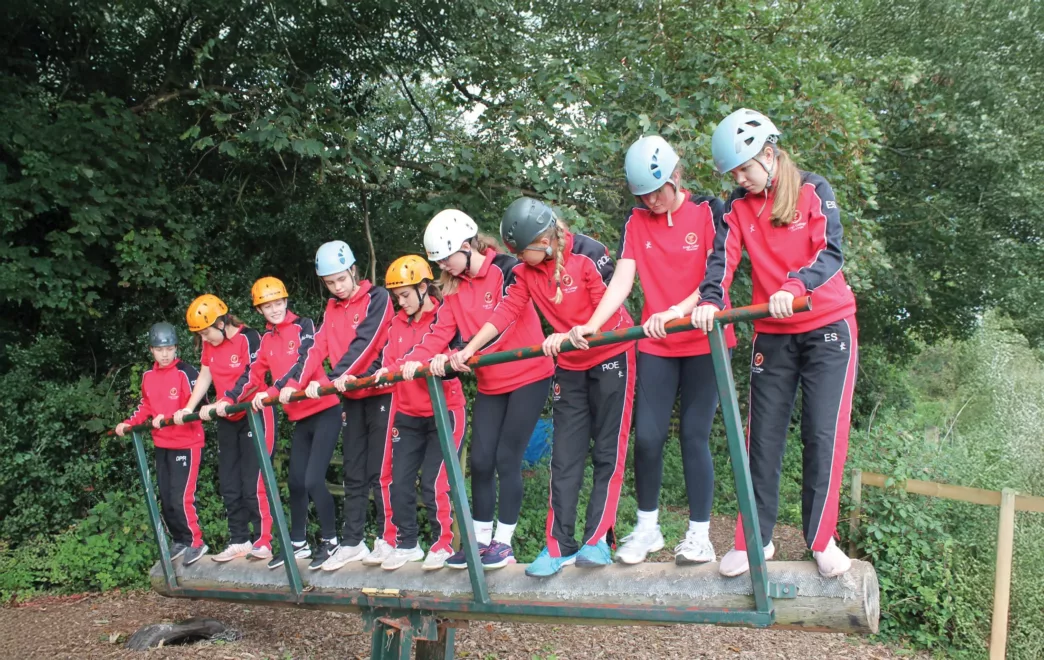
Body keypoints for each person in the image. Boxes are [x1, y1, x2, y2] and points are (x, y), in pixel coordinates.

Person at [692, 108, 858, 578]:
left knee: (821, 434)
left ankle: (821, 541)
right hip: (774, 332)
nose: (739, 179)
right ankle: (754, 540)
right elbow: (721, 261)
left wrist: (795, 286)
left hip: (827, 324)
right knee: (761, 438)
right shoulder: (737, 207)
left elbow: (831, 251)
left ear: (769, 154)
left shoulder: (813, 189)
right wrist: (710, 299)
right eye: (733, 173)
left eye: (745, 169)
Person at [568, 136, 737, 565]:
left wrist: (678, 310)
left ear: (676, 177)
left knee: (694, 435)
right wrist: (593, 323)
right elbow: (622, 280)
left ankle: (699, 535)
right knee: (647, 437)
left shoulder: (709, 211)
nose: (651, 201)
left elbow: (718, 273)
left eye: (657, 191)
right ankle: (648, 528)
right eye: (642, 195)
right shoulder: (636, 221)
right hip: (658, 343)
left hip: (704, 339)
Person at [450, 198, 636, 577]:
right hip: (571, 364)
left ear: (546, 240)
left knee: (607, 451)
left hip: (612, 354)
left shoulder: (588, 253)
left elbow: (611, 307)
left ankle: (597, 540)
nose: (519, 259)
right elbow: (505, 311)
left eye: (524, 252)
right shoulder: (525, 271)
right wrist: (470, 348)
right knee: (563, 457)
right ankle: (558, 545)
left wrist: (580, 330)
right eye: (516, 253)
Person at [400, 209, 553, 570]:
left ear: (467, 246)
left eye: (446, 259)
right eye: (438, 262)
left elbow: (503, 321)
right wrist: (411, 361)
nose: (444, 267)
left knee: (506, 458)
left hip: (529, 375)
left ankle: (504, 543)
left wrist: (464, 352)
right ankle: (480, 542)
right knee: (481, 461)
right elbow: (441, 330)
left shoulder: (507, 269)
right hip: (491, 382)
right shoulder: (453, 286)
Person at [213, 277, 342, 571]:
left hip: (325, 411)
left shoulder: (303, 325)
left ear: (286, 301)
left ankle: (332, 541)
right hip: (300, 418)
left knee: (312, 480)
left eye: (278, 303)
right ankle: (298, 543)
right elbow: (252, 373)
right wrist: (229, 398)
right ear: (259, 310)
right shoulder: (266, 340)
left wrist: (278, 389)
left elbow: (306, 360)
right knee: (295, 482)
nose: (274, 309)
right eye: (267, 306)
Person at [292, 241, 397, 571]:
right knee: (353, 470)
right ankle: (353, 542)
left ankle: (390, 539)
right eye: (330, 282)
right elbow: (316, 347)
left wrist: (335, 377)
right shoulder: (332, 310)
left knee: (380, 470)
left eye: (341, 279)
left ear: (353, 270)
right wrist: (293, 384)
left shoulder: (377, 298)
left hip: (380, 391)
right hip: (351, 396)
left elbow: (367, 341)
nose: (337, 287)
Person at [372, 255, 467, 571]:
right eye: (396, 297)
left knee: (434, 481)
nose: (401, 302)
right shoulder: (396, 323)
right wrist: (384, 373)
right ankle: (407, 544)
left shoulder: (445, 316)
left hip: (444, 412)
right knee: (399, 481)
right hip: (408, 414)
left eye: (405, 295)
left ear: (424, 287)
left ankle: (443, 544)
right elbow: (389, 361)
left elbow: (454, 353)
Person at [173, 294, 278, 562]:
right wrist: (189, 407)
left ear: (221, 323)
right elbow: (205, 376)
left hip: (254, 412)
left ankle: (264, 540)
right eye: (200, 335)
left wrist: (227, 399)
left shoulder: (249, 337)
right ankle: (239, 539)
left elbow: (253, 375)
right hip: (226, 416)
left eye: (206, 332)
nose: (204, 339)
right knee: (229, 483)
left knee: (253, 481)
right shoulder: (210, 345)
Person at [115, 322, 208, 565]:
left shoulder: (186, 372)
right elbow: (145, 405)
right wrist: (129, 423)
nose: (165, 354)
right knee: (166, 498)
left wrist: (170, 416)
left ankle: (196, 541)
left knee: (180, 497)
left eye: (169, 349)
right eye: (159, 349)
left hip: (186, 443)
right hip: (162, 444)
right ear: (151, 350)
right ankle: (180, 540)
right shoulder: (148, 376)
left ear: (176, 348)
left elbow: (201, 404)